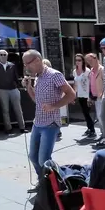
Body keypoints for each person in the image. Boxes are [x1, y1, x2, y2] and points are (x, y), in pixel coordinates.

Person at [22, 49, 75, 178]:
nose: (26, 67)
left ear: (37, 60)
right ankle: (44, 184)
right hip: (38, 122)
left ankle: (60, 181)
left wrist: (54, 106)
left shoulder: (54, 75)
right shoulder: (38, 77)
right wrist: (29, 87)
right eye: (24, 64)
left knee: (44, 160)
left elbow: (71, 94)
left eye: (27, 63)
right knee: (33, 157)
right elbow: (37, 100)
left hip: (50, 123)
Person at [0, 50, 26, 134]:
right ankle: (8, 128)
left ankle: (22, 127)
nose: (3, 56)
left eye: (5, 55)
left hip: (13, 88)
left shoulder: (12, 65)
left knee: (18, 109)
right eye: (1, 55)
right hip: (2, 89)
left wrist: (18, 87)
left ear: (7, 56)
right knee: (5, 110)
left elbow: (16, 77)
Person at [72, 53, 96, 138]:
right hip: (80, 94)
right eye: (76, 60)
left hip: (87, 95)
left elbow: (90, 84)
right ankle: (89, 128)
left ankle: (92, 129)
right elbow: (75, 84)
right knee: (84, 113)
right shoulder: (75, 71)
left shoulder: (87, 71)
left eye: (79, 60)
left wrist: (90, 96)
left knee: (87, 112)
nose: (77, 62)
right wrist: (74, 95)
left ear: (83, 61)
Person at [86, 53, 105, 136]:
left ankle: (104, 133)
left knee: (101, 116)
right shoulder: (91, 71)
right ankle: (103, 133)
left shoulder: (102, 69)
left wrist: (103, 94)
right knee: (99, 115)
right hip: (95, 97)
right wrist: (89, 97)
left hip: (102, 96)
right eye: (88, 61)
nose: (89, 62)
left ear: (95, 58)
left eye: (90, 60)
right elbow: (90, 84)